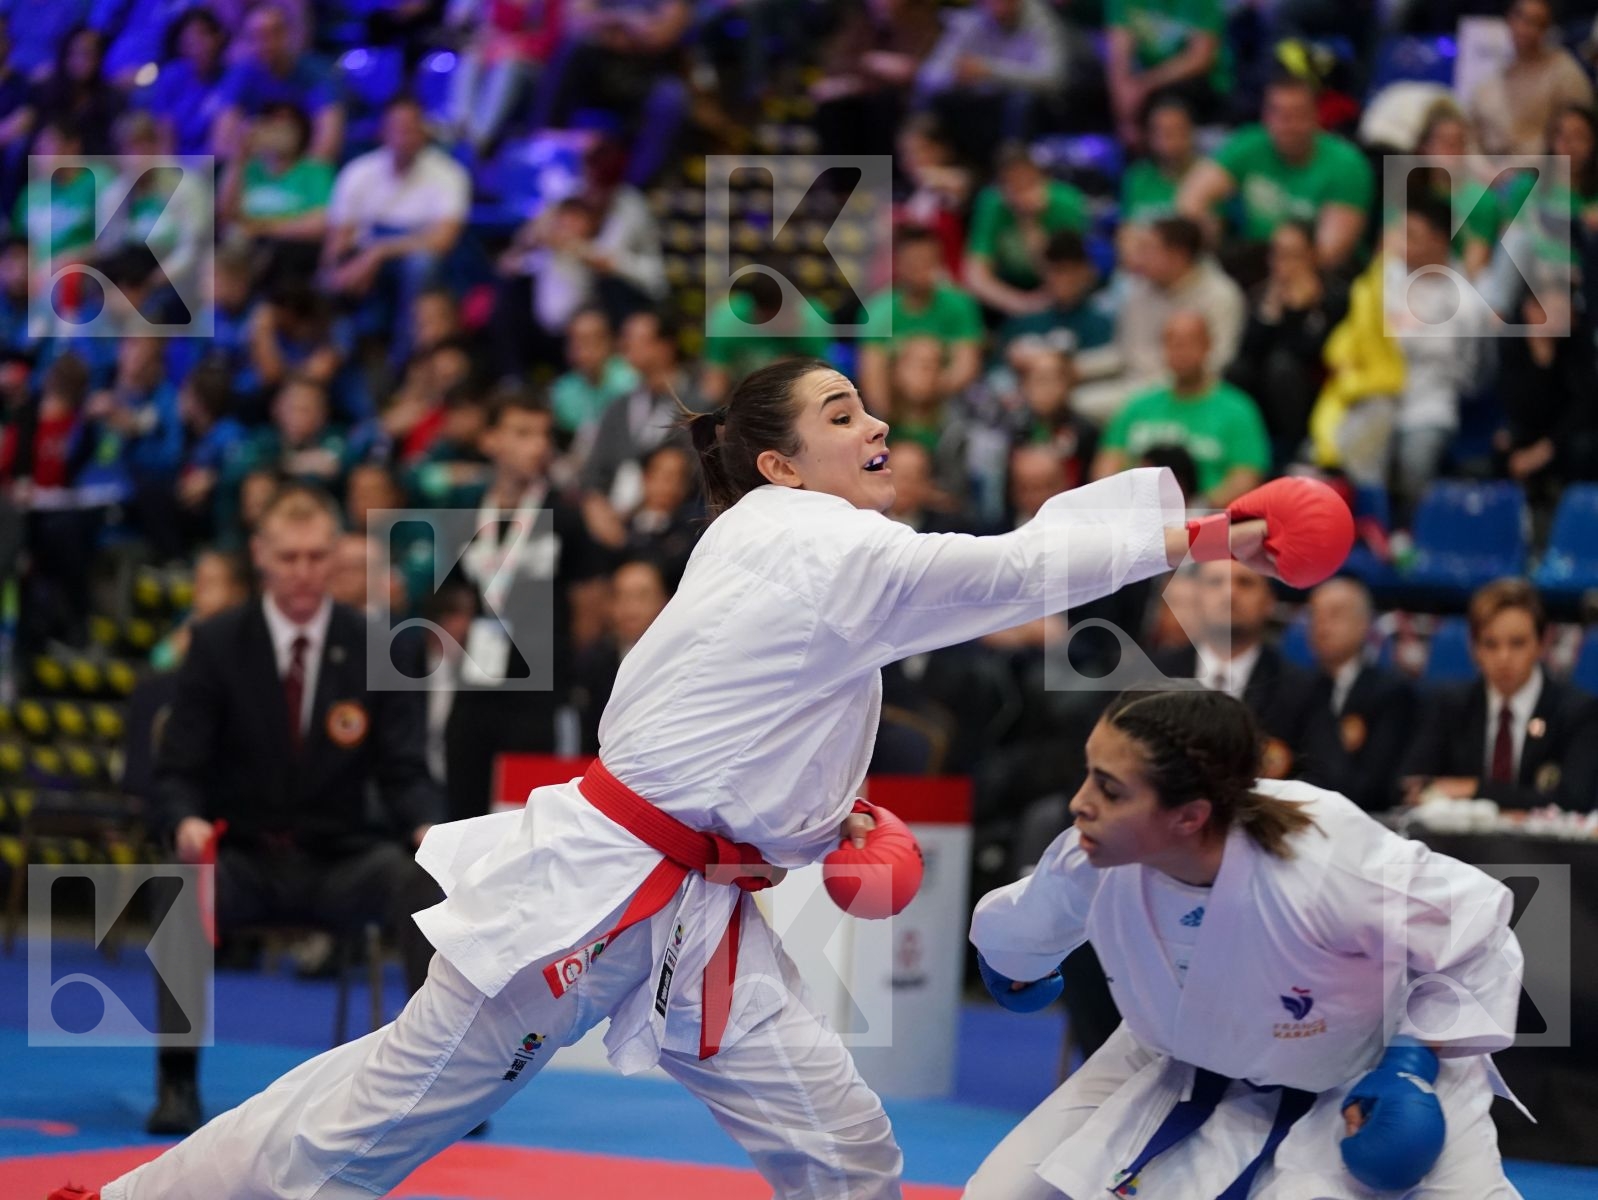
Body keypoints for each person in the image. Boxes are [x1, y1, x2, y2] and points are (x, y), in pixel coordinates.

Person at [69, 358, 1352, 1200]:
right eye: (840, 412)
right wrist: (1212, 531)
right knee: (364, 1132)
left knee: (842, 1149)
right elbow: (1009, 572)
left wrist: (834, 818)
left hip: (698, 917)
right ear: (779, 464)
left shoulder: (803, 555)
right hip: (589, 901)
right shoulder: (814, 543)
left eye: (869, 406)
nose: (877, 425)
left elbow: (751, 728)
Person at [965, 685, 1527, 1199]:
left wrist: (1412, 1062)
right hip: (1174, 1060)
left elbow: (1477, 928)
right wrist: (1013, 959)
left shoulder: (1324, 860)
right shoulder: (1097, 852)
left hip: (1360, 1070)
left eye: (1109, 789)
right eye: (1088, 774)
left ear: (1189, 816)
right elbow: (1028, 922)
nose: (1080, 803)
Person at [137, 484, 445, 1137]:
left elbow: (404, 770)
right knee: (180, 883)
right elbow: (176, 771)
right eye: (289, 557)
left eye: (316, 556)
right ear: (261, 557)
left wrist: (428, 826)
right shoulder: (218, 643)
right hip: (244, 854)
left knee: (425, 878)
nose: (304, 571)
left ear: (334, 557)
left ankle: (437, 1085)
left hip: (340, 858)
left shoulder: (375, 644)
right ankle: (176, 1082)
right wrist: (184, 821)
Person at [1399, 577, 1598, 813]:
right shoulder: (1449, 705)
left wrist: (1475, 790)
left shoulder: (1576, 711)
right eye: (1491, 644)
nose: (1503, 658)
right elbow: (1409, 785)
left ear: (1542, 644)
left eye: (1517, 643)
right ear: (1474, 649)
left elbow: (1574, 799)